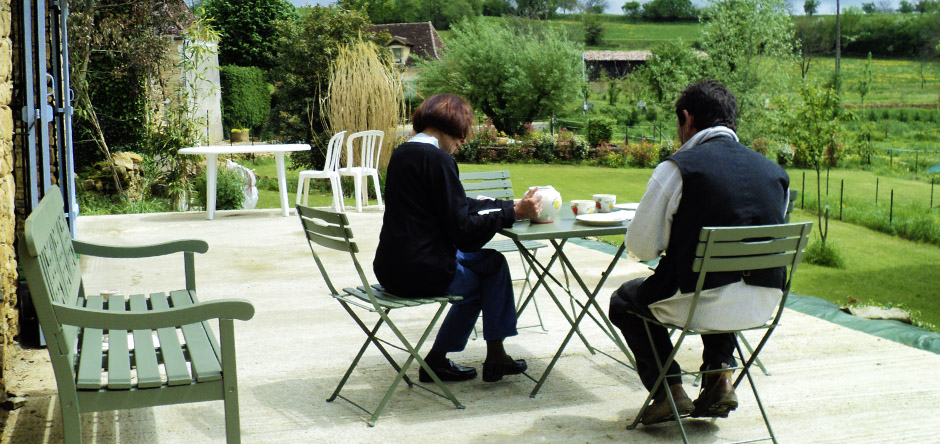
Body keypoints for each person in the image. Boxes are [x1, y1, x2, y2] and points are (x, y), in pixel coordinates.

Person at [608, 79, 790, 425]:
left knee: (624, 302)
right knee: (721, 281)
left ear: (687, 119)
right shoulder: (775, 173)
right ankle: (720, 377)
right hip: (764, 300)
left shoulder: (678, 168)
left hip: (700, 299)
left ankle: (668, 391)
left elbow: (640, 247)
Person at [373, 94, 542, 383]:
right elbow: (464, 233)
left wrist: (510, 207)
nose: (462, 143)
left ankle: (491, 357)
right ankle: (445, 359)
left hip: (392, 267)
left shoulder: (403, 153)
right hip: (420, 271)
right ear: (452, 124)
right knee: (480, 285)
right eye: (462, 134)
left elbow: (457, 204)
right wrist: (512, 215)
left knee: (493, 263)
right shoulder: (437, 159)